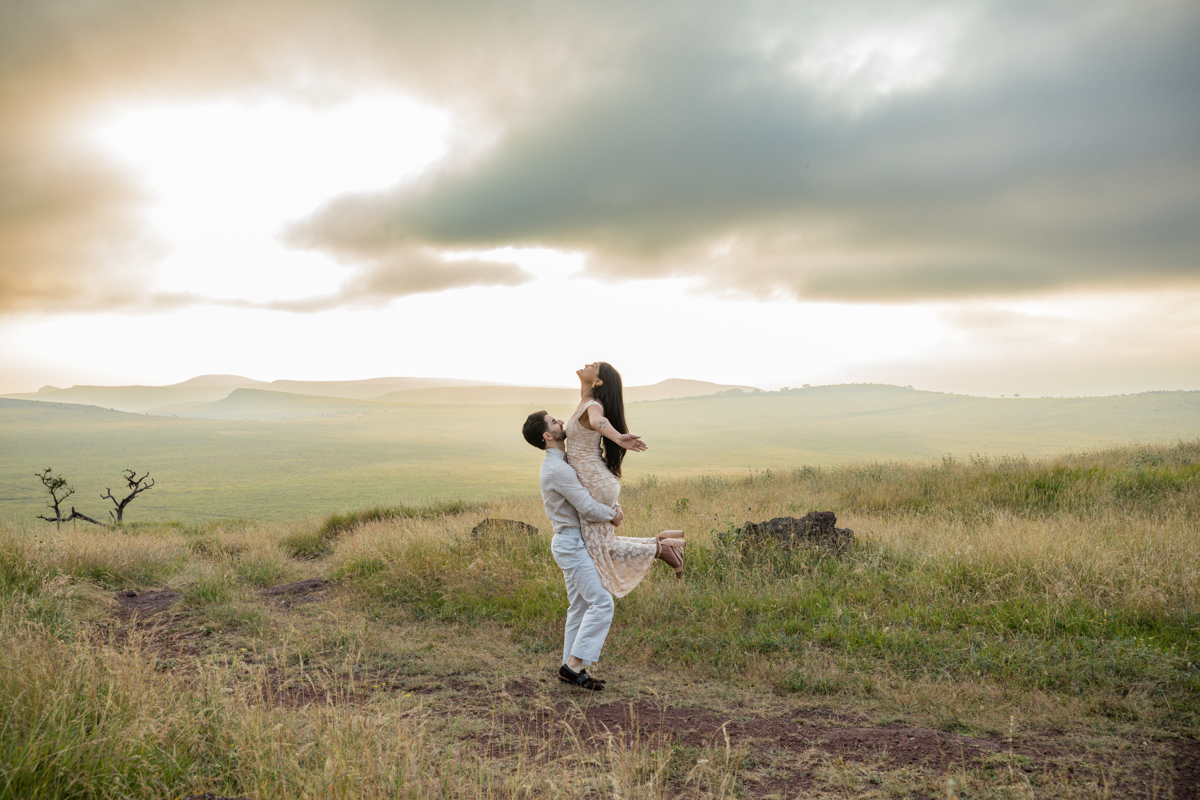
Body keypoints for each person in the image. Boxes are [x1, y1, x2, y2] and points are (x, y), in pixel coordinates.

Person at [566, 362, 685, 598]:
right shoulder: (586, 402)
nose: (588, 364)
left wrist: (617, 437)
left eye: (594, 366)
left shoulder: (592, 406)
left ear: (597, 382)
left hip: (593, 483)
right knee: (605, 541)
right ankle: (661, 541)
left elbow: (600, 421)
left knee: (601, 548)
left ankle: (662, 550)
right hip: (597, 481)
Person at [523, 410, 621, 691]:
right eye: (554, 422)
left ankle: (573, 669)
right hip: (571, 544)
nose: (561, 422)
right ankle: (573, 665)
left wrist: (613, 505)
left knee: (579, 608)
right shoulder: (558, 470)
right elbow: (588, 507)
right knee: (602, 603)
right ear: (547, 435)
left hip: (572, 542)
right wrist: (612, 514)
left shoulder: (563, 464)